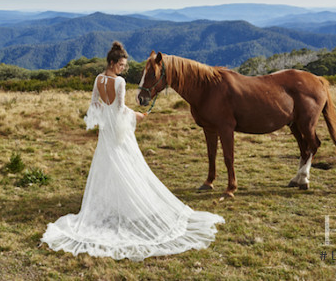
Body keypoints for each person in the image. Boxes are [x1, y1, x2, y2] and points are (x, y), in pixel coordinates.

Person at [41, 41, 224, 261]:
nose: (123, 68)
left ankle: (115, 203)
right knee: (129, 165)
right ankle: (130, 204)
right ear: (112, 62)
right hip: (118, 132)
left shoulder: (98, 79)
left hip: (106, 132)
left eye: (124, 65)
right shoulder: (119, 83)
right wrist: (136, 116)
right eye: (121, 64)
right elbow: (119, 110)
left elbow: (95, 105)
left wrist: (106, 118)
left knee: (109, 166)